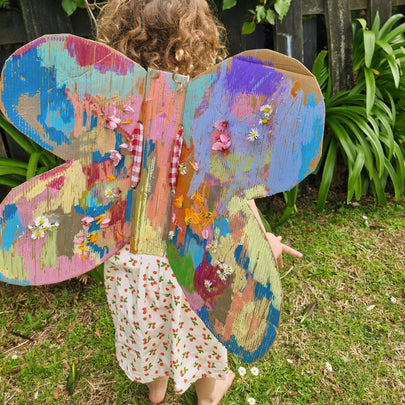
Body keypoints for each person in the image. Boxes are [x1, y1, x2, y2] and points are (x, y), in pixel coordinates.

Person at [96, 1, 302, 404]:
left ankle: (156, 387)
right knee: (203, 333)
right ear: (198, 42)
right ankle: (208, 393)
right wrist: (265, 242)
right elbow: (234, 195)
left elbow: (99, 187)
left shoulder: (114, 118)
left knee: (146, 324)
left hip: (130, 261)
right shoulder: (211, 121)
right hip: (192, 261)